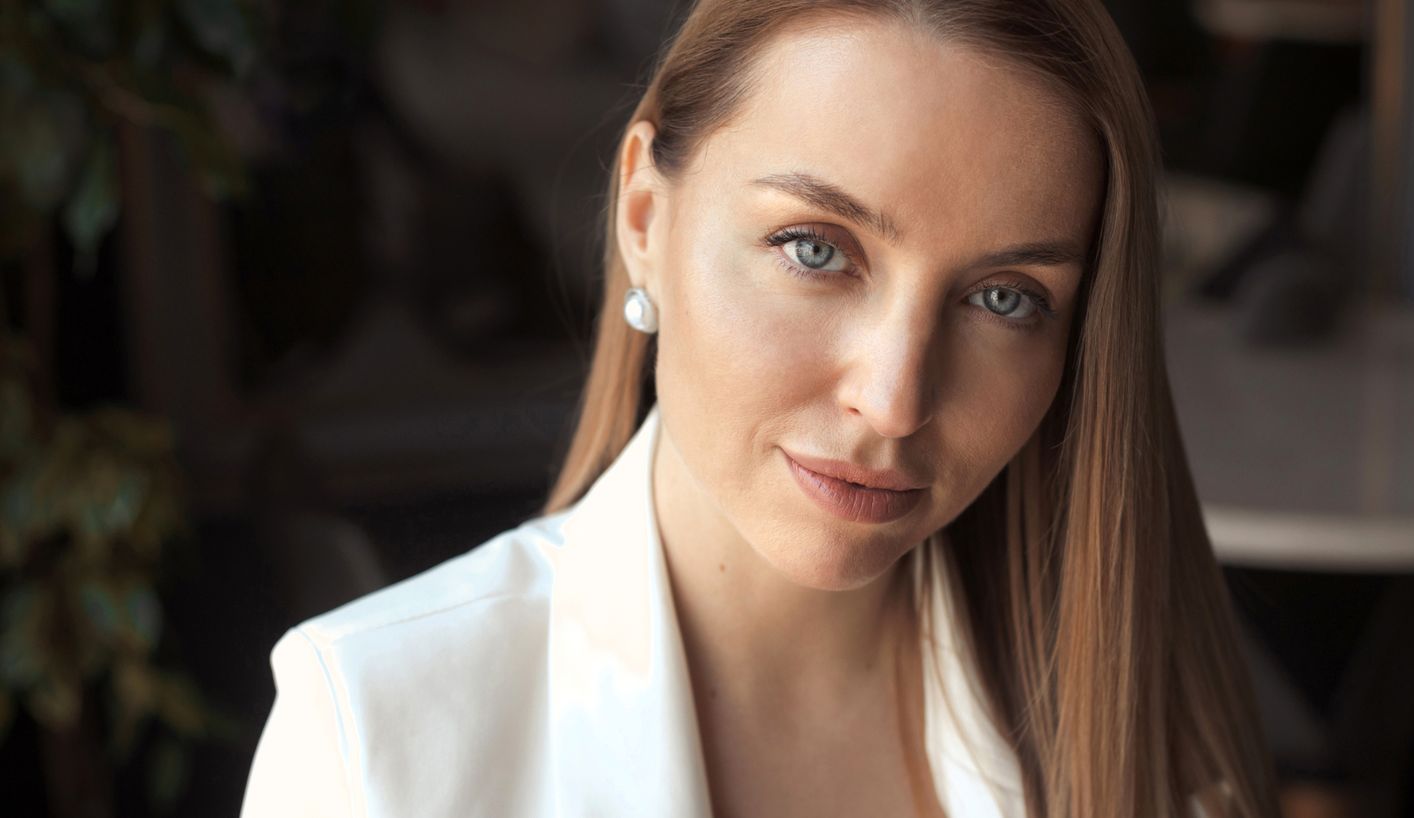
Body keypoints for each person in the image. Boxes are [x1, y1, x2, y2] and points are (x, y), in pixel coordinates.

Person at [239, 1, 1280, 816]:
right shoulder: (376, 731)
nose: (893, 396)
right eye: (816, 249)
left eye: (1005, 298)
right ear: (645, 214)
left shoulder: (1144, 729)